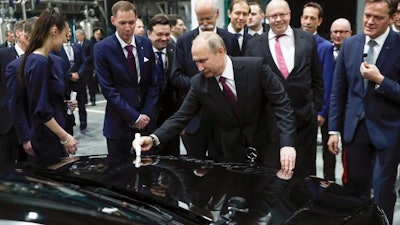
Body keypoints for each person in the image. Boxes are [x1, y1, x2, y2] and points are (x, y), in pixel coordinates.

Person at [134, 31, 297, 171]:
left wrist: (287, 144)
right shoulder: (199, 83)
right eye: (196, 62)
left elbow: (282, 104)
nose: (199, 68)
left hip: (269, 148)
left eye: (203, 61)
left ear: (220, 51)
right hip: (232, 156)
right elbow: (181, 117)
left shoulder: (255, 68)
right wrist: (153, 138)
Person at [328, 0, 400, 223]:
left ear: (391, 17)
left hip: (388, 130)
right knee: (354, 189)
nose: (369, 21)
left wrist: (380, 80)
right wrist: (333, 129)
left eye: (377, 18)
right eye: (367, 15)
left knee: (382, 189)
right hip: (354, 129)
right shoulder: (350, 45)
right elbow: (338, 90)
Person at [245, 0, 323, 176]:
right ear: (266, 17)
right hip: (270, 125)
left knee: (304, 178)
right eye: (274, 16)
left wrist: (314, 108)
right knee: (274, 177)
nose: (279, 19)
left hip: (304, 123)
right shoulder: (254, 45)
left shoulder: (308, 40)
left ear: (290, 14)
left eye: (283, 15)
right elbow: (251, 86)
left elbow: (317, 79)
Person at [170, 0, 240, 159]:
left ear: (217, 14)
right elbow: (176, 75)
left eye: (208, 18)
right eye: (200, 19)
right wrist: (200, 87)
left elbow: (238, 71)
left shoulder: (229, 39)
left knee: (224, 166)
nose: (205, 23)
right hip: (195, 117)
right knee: (195, 166)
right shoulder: (184, 41)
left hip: (224, 116)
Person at [94, 1, 158, 164]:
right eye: (122, 23)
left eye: (131, 22)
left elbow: (153, 83)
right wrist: (134, 117)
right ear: (113, 20)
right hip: (118, 125)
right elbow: (108, 89)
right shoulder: (102, 49)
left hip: (146, 123)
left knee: (148, 170)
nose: (128, 28)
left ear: (136, 19)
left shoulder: (145, 44)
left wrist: (146, 115)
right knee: (119, 173)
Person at [18, 8, 78, 168]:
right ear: (54, 31)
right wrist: (65, 137)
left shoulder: (45, 60)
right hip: (47, 140)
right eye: (65, 35)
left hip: (51, 136)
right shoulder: (39, 62)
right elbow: (41, 109)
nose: (66, 40)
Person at [300, 2, 336, 181]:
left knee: (318, 154)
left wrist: (322, 111)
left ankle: (320, 188)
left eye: (312, 18)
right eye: (305, 17)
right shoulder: (293, 41)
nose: (308, 21)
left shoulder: (325, 47)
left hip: (317, 107)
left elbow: (328, 81)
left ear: (319, 21)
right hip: (297, 107)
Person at [147, 14, 180, 155]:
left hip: (170, 119)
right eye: (159, 34)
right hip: (147, 120)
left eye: (167, 34)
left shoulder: (176, 50)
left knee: (172, 162)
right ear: (149, 33)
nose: (164, 38)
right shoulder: (140, 52)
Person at [56, 28, 91, 137]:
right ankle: (68, 127)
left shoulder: (77, 46)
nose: (69, 34)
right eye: (67, 32)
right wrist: (69, 76)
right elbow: (57, 67)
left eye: (70, 32)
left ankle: (84, 126)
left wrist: (78, 74)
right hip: (66, 81)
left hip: (79, 80)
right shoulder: (57, 49)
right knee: (67, 105)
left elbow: (84, 62)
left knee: (82, 104)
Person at [0, 20, 26, 164]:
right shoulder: (2, 55)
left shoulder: (36, 57)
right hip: (6, 122)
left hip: (29, 124)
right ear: (18, 34)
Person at [86, 27, 104, 106]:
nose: (98, 35)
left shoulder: (103, 41)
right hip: (92, 65)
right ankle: (92, 98)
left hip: (102, 64)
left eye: (99, 34)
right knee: (91, 83)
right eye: (97, 34)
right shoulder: (90, 43)